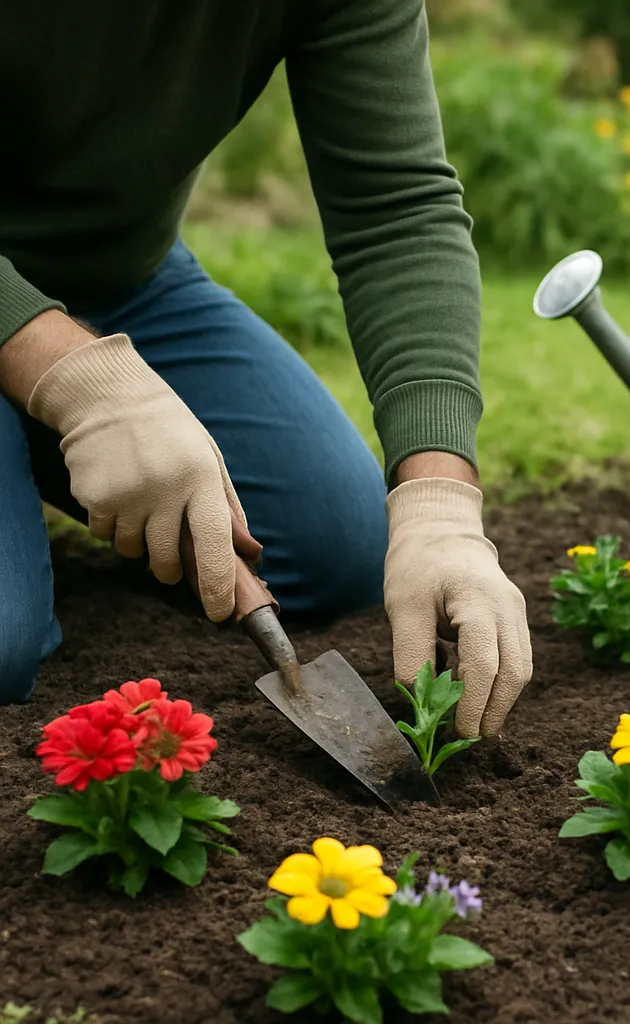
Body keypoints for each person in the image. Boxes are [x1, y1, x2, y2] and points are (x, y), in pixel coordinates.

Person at [0, 0, 533, 738]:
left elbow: (396, 210)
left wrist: (439, 500)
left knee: (335, 542)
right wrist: (75, 382)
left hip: (117, 279)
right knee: (3, 639)